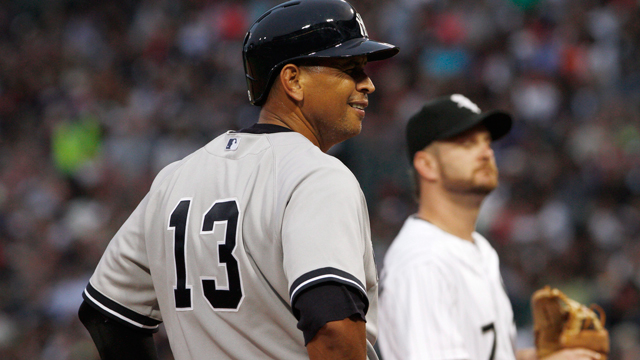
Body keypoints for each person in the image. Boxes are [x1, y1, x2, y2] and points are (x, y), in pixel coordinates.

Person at [77, 0, 398, 359]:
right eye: (351, 68)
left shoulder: (175, 179)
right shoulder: (316, 176)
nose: (367, 84)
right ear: (292, 79)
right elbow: (334, 332)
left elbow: (106, 313)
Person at [377, 94, 603, 360]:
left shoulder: (479, 248)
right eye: (467, 143)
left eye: (487, 142)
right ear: (427, 165)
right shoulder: (423, 262)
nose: (486, 152)